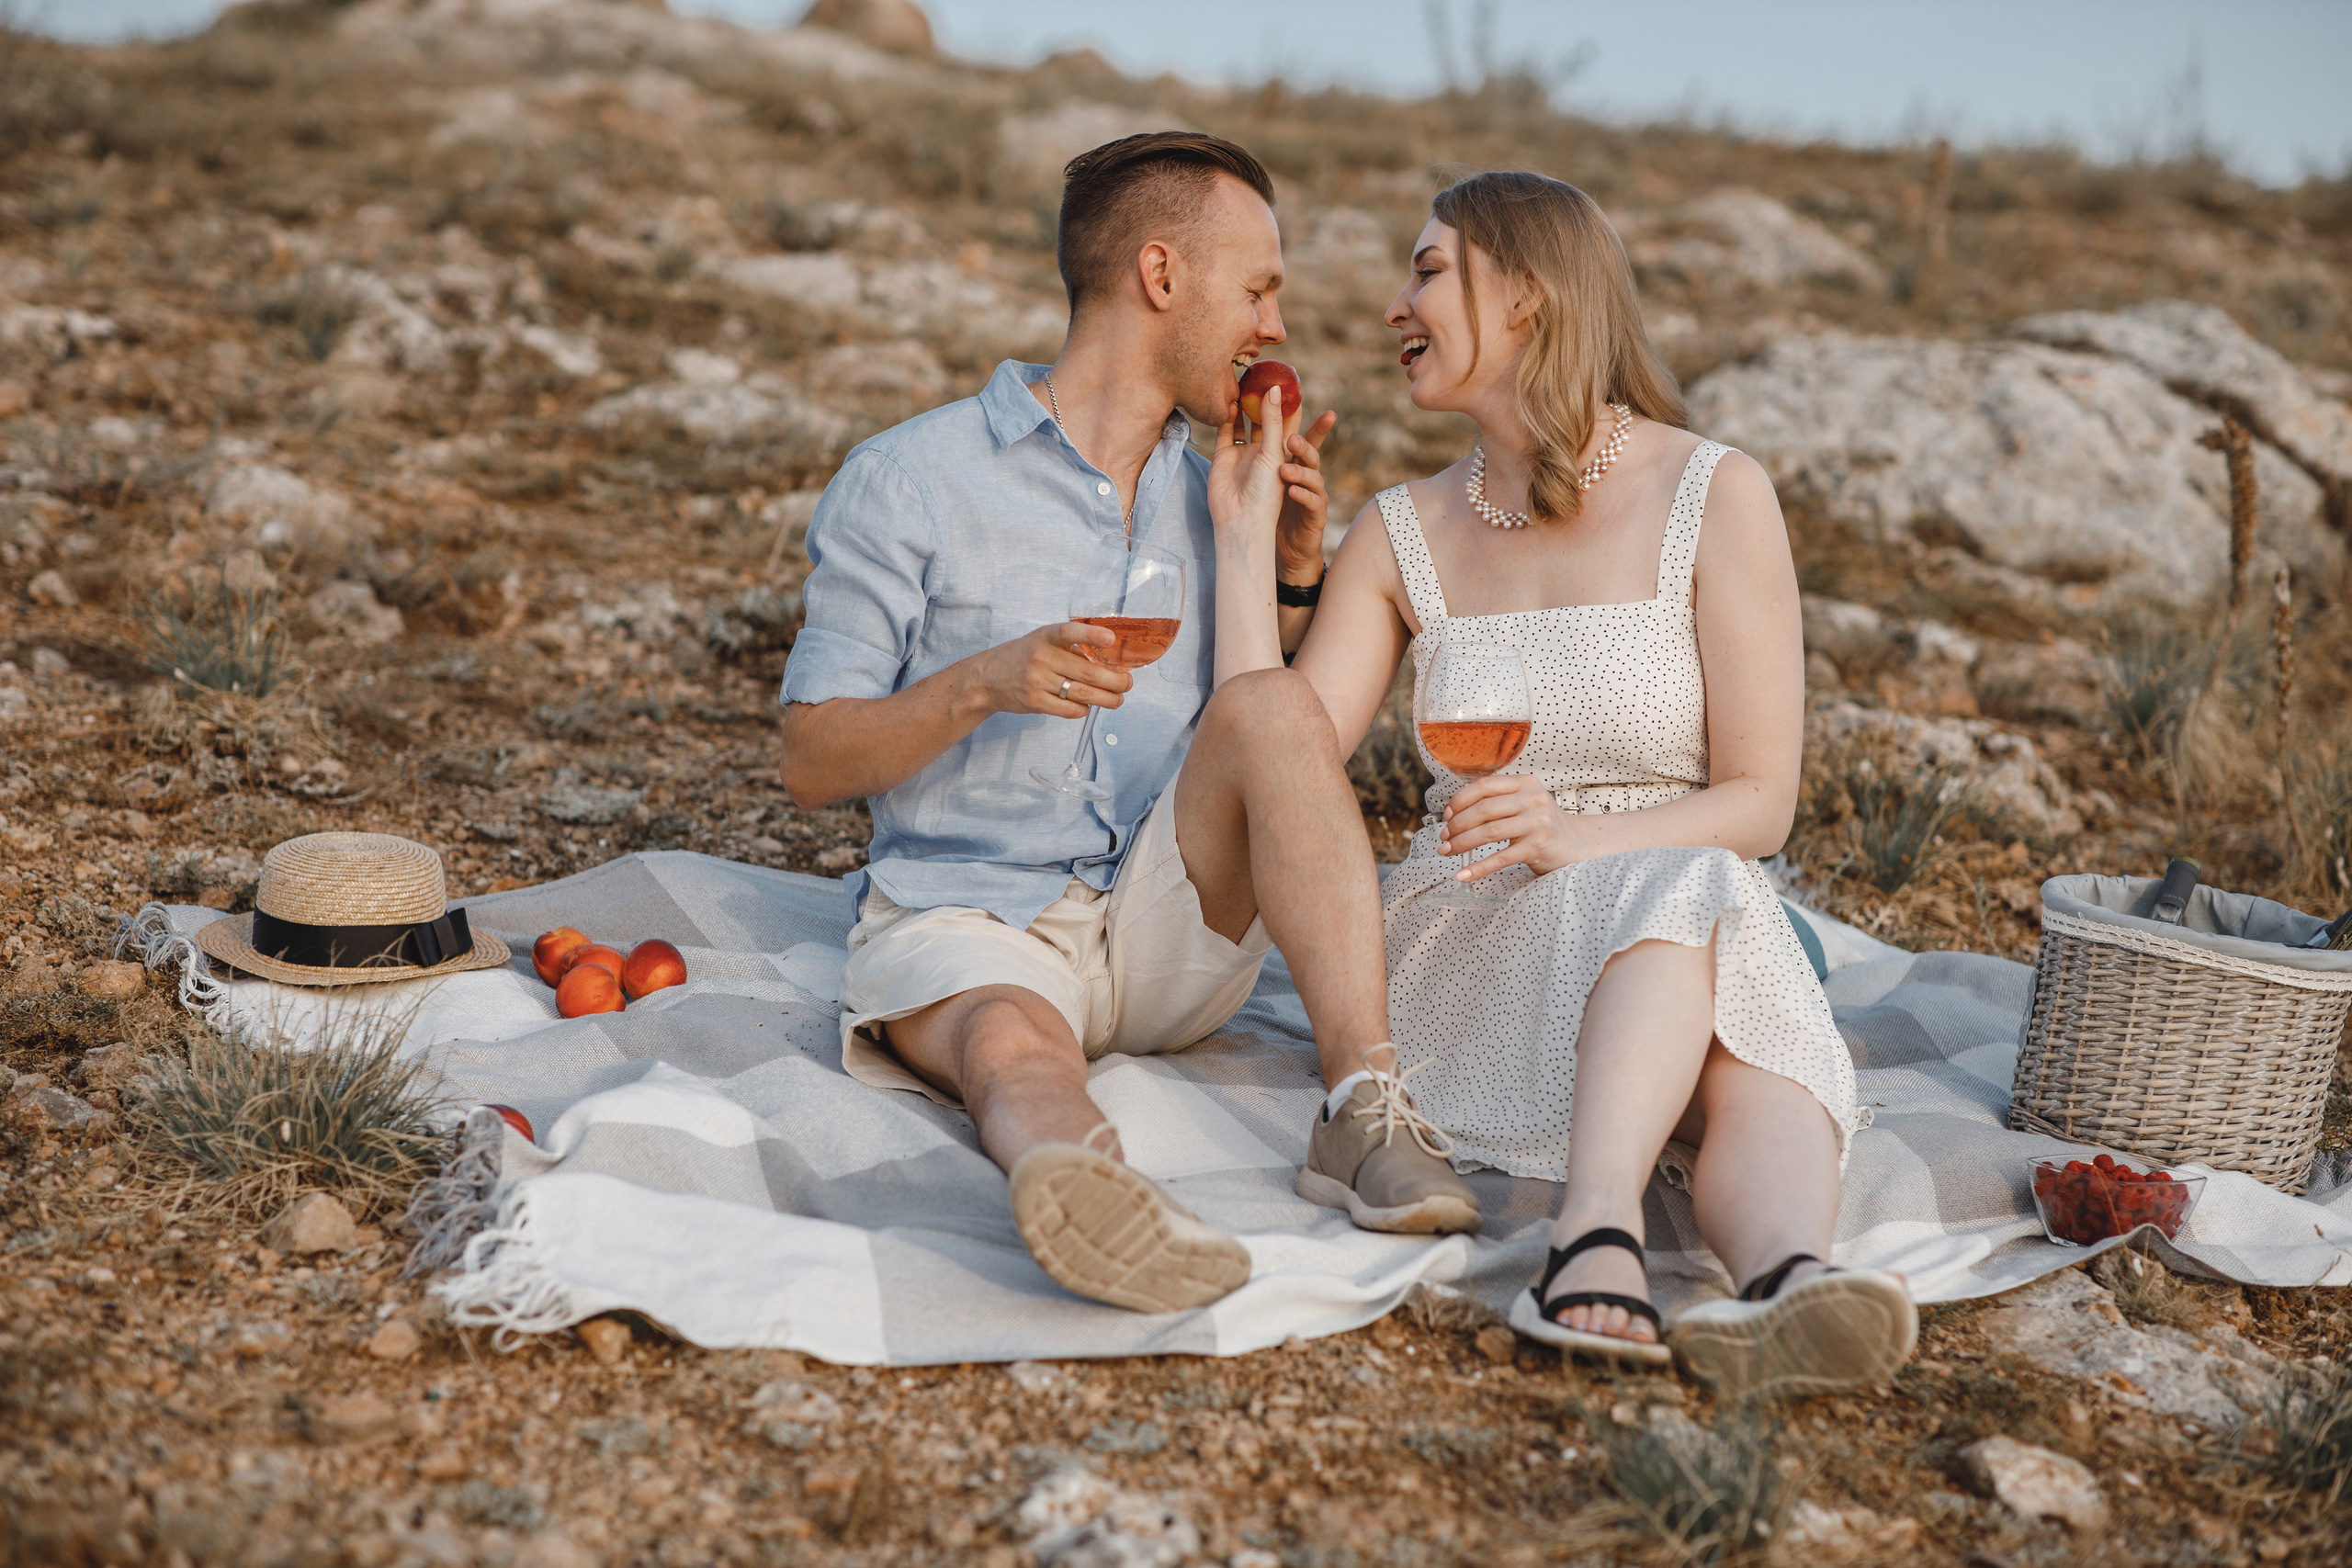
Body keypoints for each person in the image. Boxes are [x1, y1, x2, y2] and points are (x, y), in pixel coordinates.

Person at [776, 132, 1481, 1317]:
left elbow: (1268, 734)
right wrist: (980, 684)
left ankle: (1363, 1108)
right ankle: (1090, 1192)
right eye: (1257, 290)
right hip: (973, 917)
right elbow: (810, 759)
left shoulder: (1221, 490)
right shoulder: (911, 479)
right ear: (1162, 276)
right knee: (1009, 1048)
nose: (1275, 327)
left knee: (1272, 703)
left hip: (1170, 924)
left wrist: (1287, 569)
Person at [1271, 170, 1916, 1398]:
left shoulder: (1713, 491)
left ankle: (1789, 1282)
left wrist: (1579, 835)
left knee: (1727, 981)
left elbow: (1762, 801)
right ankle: (1598, 1228)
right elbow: (1286, 751)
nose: (1395, 306)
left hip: (1671, 897)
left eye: (1427, 271)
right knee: (1697, 910)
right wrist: (1281, 565)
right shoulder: (1399, 531)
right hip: (1476, 918)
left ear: (1525, 294)